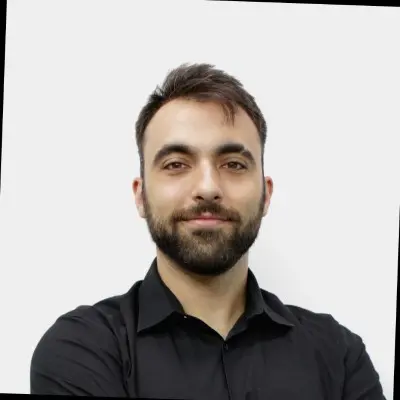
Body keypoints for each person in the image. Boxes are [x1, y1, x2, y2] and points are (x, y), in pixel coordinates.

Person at [30, 63, 385, 399]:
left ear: (266, 195)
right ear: (141, 196)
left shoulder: (338, 356)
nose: (207, 187)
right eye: (176, 164)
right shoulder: (83, 349)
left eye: (233, 164)